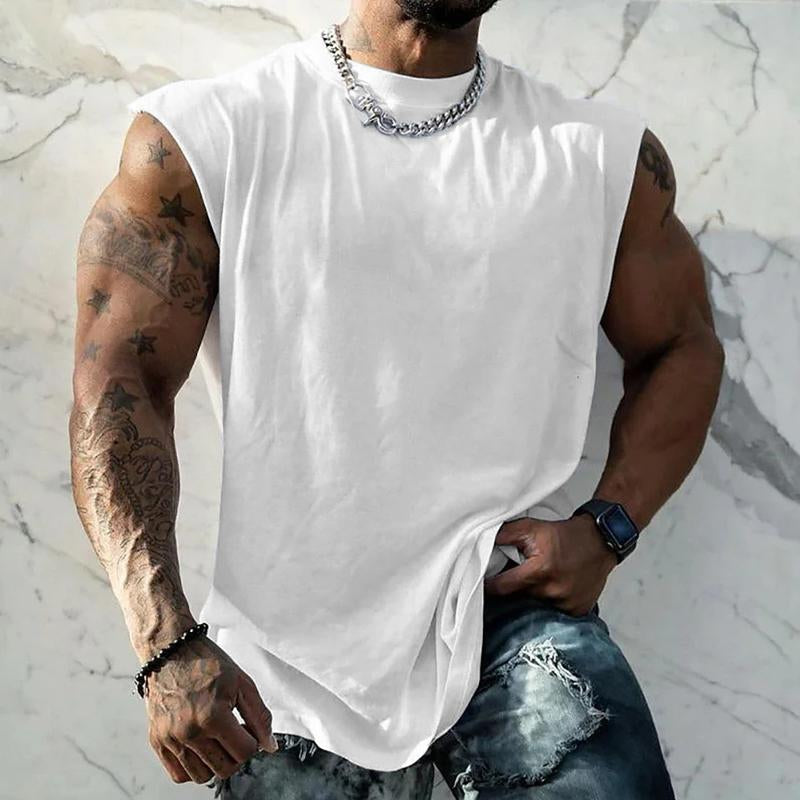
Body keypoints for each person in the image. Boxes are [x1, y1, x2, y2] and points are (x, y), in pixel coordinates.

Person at [69, 1, 724, 797]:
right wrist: (164, 639)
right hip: (289, 656)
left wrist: (608, 528)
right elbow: (118, 382)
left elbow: (684, 347)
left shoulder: (600, 155)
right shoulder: (207, 137)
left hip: (508, 602)